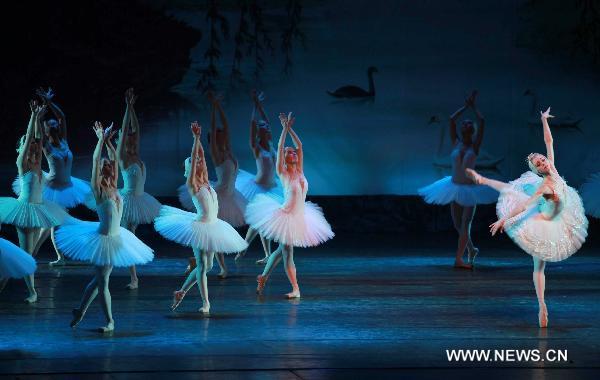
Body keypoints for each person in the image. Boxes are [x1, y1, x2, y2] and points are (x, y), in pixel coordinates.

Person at [466, 107, 588, 328]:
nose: (544, 162)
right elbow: (524, 205)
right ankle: (542, 305)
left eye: (543, 159)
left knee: (542, 264)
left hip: (562, 217)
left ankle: (541, 304)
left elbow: (548, 142)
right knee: (539, 267)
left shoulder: (554, 169)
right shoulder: (544, 184)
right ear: (538, 171)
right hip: (544, 222)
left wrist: (543, 120)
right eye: (540, 163)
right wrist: (504, 219)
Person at [55, 122, 154, 332]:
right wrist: (100, 140)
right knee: (103, 282)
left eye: (110, 164)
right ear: (101, 170)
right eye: (106, 165)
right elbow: (94, 161)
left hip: (117, 237)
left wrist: (109, 141)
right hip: (103, 239)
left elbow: (117, 161)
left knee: (101, 279)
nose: (110, 166)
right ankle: (110, 322)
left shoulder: (115, 187)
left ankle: (80, 311)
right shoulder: (99, 190)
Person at [155, 122, 247, 314]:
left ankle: (181, 291)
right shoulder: (192, 185)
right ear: (188, 169)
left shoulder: (205, 182)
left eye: (197, 162)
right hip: (200, 227)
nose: (197, 162)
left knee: (208, 266)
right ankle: (206, 303)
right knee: (204, 266)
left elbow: (202, 158)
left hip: (213, 225)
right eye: (193, 162)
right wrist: (195, 139)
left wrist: (198, 139)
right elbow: (198, 159)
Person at [247, 113, 334, 299]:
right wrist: (284, 129)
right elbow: (279, 147)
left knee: (280, 251)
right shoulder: (283, 173)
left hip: (300, 216)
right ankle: (296, 289)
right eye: (289, 152)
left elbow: (300, 146)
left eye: (293, 152)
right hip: (286, 215)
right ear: (284, 158)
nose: (292, 152)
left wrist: (290, 128)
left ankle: (263, 277)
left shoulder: (300, 170)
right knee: (287, 252)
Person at [12, 88, 92, 267]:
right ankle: (36, 255)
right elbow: (37, 132)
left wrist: (49, 103)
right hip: (54, 188)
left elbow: (62, 117)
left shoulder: (64, 141)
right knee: (53, 222)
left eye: (55, 122)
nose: (55, 123)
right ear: (46, 130)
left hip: (68, 186)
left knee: (53, 222)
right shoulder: (46, 145)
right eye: (50, 123)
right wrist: (37, 117)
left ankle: (41, 256)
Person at [418, 91, 497, 268]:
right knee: (457, 224)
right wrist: (465, 107)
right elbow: (451, 120)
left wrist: (474, 108)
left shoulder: (475, 146)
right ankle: (471, 249)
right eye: (465, 122)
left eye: (469, 122)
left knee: (466, 223)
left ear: (472, 130)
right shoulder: (456, 143)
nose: (466, 123)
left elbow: (482, 121)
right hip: (453, 186)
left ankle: (459, 259)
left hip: (469, 189)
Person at [0, 100, 67, 303]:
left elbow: (36, 138)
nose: (36, 148)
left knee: (26, 254)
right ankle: (31, 291)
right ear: (22, 148)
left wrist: (38, 117)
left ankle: (5, 280)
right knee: (27, 254)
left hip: (38, 209)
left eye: (36, 147)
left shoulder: (37, 163)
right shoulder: (22, 163)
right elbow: (31, 138)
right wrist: (32, 117)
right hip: (24, 210)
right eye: (30, 146)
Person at [116, 88, 161, 290]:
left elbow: (136, 129)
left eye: (135, 139)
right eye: (130, 139)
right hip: (127, 202)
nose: (134, 139)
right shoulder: (122, 157)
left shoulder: (137, 155)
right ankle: (133, 277)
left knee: (130, 236)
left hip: (140, 199)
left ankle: (132, 275)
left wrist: (132, 107)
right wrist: (126, 108)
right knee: (127, 237)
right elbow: (127, 129)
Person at [234, 91, 283, 264]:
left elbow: (267, 122)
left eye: (268, 130)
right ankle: (248, 250)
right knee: (259, 222)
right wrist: (254, 106)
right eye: (264, 130)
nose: (268, 130)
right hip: (257, 188)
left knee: (260, 222)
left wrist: (260, 106)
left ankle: (250, 250)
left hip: (272, 188)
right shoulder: (257, 148)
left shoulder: (270, 146)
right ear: (259, 134)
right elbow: (253, 124)